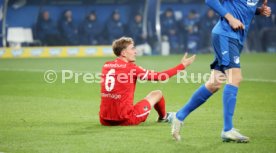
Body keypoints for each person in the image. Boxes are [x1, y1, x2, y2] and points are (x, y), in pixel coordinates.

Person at [171, 0, 271, 142]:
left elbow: (242, 5)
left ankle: (179, 116)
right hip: (226, 34)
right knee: (235, 77)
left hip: (235, 37)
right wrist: (231, 18)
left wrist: (258, 10)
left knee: (214, 83)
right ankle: (228, 129)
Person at [99, 37, 195, 126]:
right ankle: (164, 118)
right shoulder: (131, 68)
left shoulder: (106, 65)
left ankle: (163, 117)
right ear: (124, 53)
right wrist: (182, 66)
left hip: (104, 120)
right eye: (132, 49)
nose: (135, 52)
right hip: (125, 119)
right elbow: (161, 77)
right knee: (157, 94)